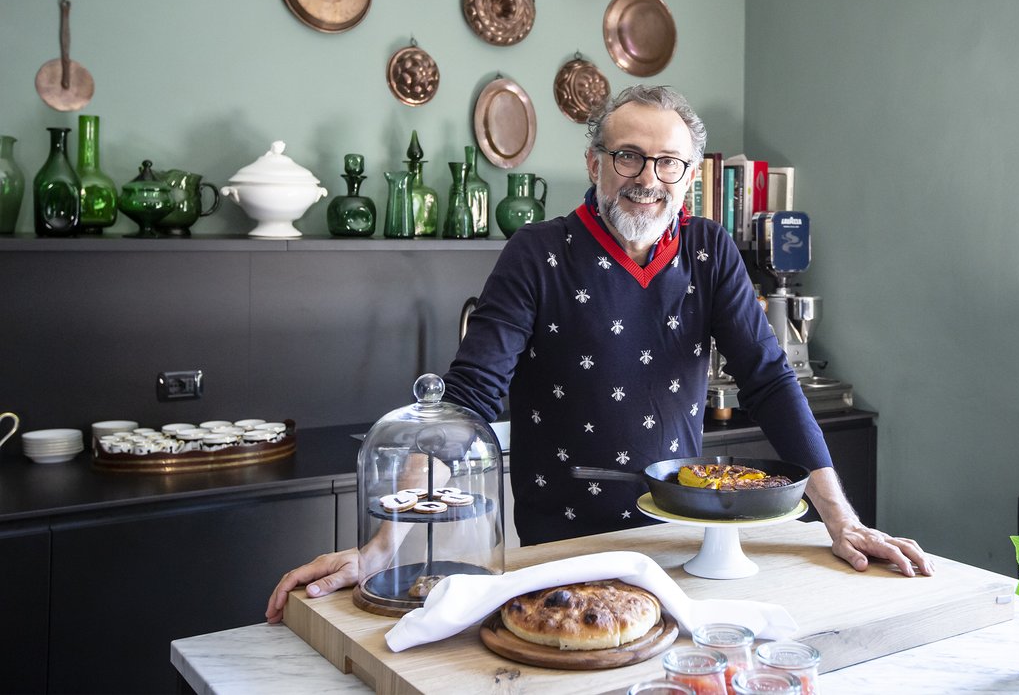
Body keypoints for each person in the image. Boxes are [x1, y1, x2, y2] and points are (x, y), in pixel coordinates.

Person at [266, 85, 932, 624]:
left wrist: (842, 521)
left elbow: (768, 380)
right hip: (561, 549)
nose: (648, 178)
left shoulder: (710, 251)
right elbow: (467, 396)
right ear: (594, 164)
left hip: (682, 540)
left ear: (689, 175)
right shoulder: (537, 252)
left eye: (668, 161)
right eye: (628, 157)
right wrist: (384, 545)